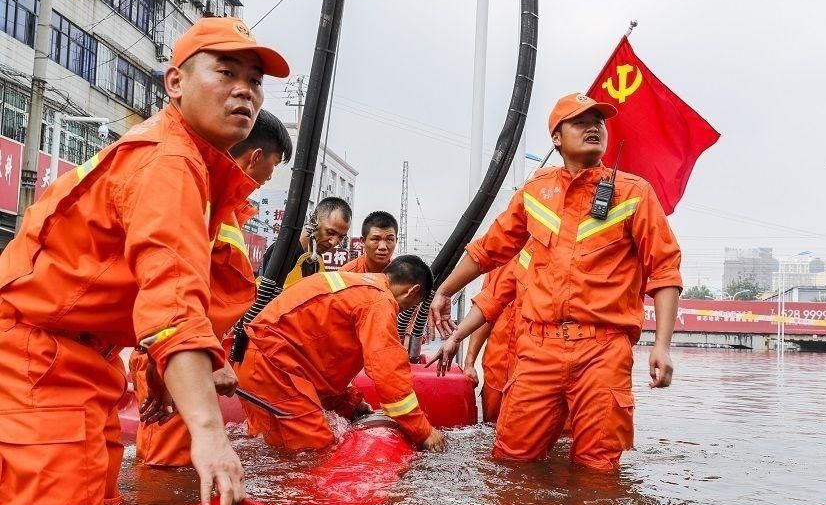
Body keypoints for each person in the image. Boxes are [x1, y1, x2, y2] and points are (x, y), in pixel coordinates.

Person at [0, 16, 289, 505]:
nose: (244, 91)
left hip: (84, 357)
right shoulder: (169, 162)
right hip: (39, 355)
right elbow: (172, 302)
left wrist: (158, 370)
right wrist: (210, 435)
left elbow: (163, 289)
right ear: (175, 83)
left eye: (255, 81)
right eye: (226, 73)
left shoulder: (192, 167)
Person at [430, 93, 683, 472]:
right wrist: (445, 290)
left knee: (598, 470)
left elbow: (665, 269)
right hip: (537, 349)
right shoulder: (535, 192)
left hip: (603, 350)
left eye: (598, 121)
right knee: (511, 461)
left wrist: (662, 346)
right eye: (580, 122)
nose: (594, 127)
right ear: (556, 138)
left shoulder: (634, 194)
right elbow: (489, 251)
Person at [129, 111, 293, 467]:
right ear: (256, 157)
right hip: (178, 351)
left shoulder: (223, 207)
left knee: (182, 458)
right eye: (275, 165)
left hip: (189, 351)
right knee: (167, 462)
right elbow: (177, 290)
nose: (271, 176)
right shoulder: (197, 196)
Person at [237, 255, 446, 452]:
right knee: (316, 449)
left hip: (256, 364)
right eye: (410, 306)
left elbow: (319, 358)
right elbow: (388, 372)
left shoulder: (356, 286)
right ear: (412, 291)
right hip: (271, 369)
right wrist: (423, 431)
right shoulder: (379, 301)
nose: (401, 311)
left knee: (271, 448)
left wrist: (349, 404)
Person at [461, 257, 525, 423]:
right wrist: (469, 362)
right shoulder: (502, 264)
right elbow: (485, 313)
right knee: (492, 431)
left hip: (538, 374)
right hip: (497, 375)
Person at [259, 196, 351, 287]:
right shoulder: (285, 252)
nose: (334, 242)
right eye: (330, 232)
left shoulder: (316, 261)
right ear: (313, 221)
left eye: (341, 237)